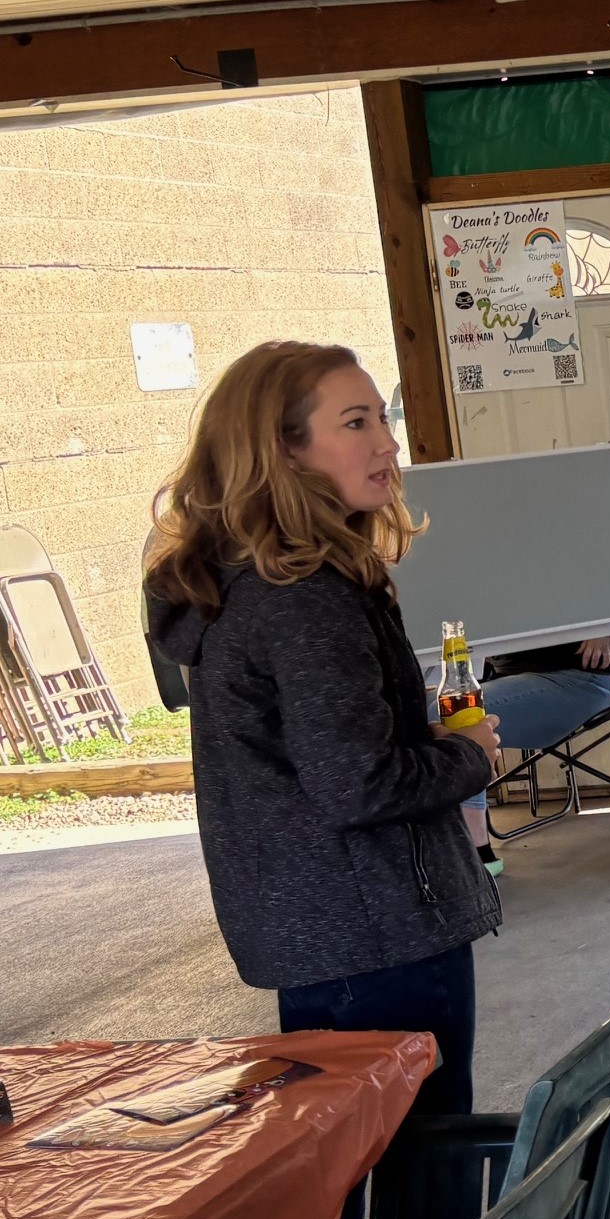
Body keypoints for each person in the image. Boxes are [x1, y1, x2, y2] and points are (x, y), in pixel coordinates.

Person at [148, 340, 501, 1115]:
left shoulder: (245, 587)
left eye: (382, 418)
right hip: (379, 935)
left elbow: (314, 759)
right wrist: (467, 756)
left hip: (316, 935)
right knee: (424, 1164)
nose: (387, 443)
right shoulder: (304, 596)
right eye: (355, 421)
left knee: (345, 1159)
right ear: (282, 451)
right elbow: (358, 783)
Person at [447, 634, 610, 873]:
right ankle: (443, 852)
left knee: (455, 715)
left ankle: (476, 855)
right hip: (513, 676)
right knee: (423, 711)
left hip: (592, 675)